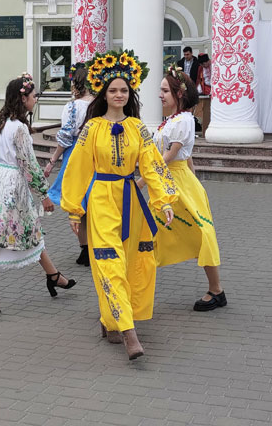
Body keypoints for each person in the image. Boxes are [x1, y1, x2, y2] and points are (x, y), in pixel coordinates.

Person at [61, 50, 177, 360]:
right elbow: (77, 168)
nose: (118, 95)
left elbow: (152, 165)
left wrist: (164, 200)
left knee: (130, 264)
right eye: (113, 90)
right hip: (101, 199)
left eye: (124, 90)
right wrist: (74, 209)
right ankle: (129, 333)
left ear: (130, 93)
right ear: (104, 93)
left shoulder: (138, 128)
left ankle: (110, 319)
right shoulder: (92, 128)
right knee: (108, 263)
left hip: (131, 201)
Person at [0, 73, 76, 317]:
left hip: (0, 181)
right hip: (12, 186)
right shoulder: (18, 128)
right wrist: (44, 195)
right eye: (33, 95)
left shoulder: (1, 122)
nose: (35, 98)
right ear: (23, 99)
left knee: (30, 228)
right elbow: (28, 164)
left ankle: (53, 275)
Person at [149, 67, 227, 311]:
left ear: (179, 93)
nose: (160, 95)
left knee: (201, 232)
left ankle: (217, 291)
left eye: (164, 91)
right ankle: (135, 284)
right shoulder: (173, 120)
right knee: (152, 231)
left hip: (176, 183)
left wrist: (140, 181)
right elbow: (186, 154)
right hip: (171, 181)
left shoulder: (183, 120)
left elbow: (169, 157)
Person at [44, 63, 93, 266]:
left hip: (76, 156)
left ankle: (85, 250)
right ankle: (98, 246)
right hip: (97, 156)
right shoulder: (102, 104)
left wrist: (52, 160)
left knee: (77, 203)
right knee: (94, 202)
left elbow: (65, 138)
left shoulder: (72, 107)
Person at [193, 53, 212, 132]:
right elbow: (199, 79)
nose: (203, 66)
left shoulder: (214, 65)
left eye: (204, 64)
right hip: (205, 89)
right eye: (201, 65)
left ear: (207, 61)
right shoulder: (201, 68)